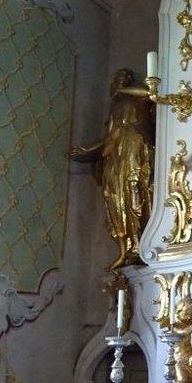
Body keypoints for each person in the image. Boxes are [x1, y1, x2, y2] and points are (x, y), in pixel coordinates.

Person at [70, 69, 154, 269]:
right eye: (117, 79)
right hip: (117, 158)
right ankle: (125, 250)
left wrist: (123, 91)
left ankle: (139, 246)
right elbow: (110, 138)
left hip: (136, 151)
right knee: (114, 198)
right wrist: (88, 151)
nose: (119, 82)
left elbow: (151, 93)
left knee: (135, 196)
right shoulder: (115, 106)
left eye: (124, 79)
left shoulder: (136, 99)